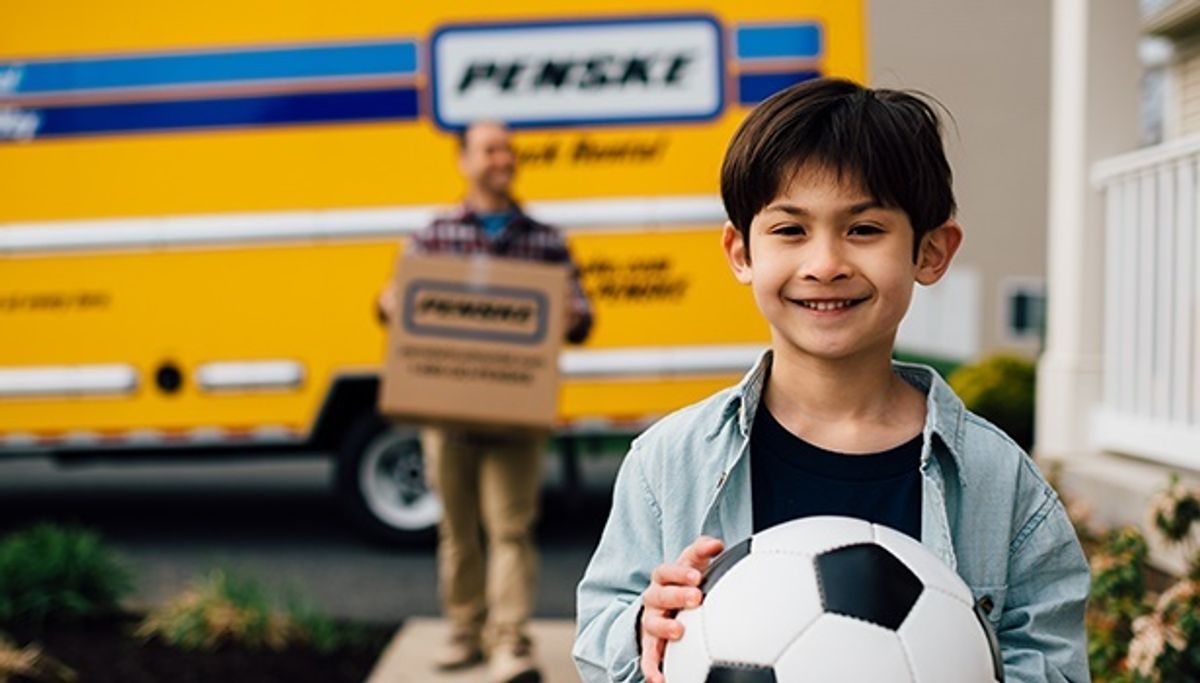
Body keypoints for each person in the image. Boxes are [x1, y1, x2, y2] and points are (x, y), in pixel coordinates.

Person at [572, 78, 1090, 683]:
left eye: (864, 229)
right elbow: (598, 640)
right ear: (741, 253)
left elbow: (1055, 662)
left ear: (931, 252)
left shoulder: (1001, 484)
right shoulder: (669, 462)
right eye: (790, 230)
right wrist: (643, 627)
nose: (825, 265)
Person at [379, 120, 592, 683]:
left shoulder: (544, 239)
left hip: (516, 418)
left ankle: (510, 644)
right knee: (457, 529)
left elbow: (582, 316)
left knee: (510, 529)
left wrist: (570, 314)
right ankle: (463, 631)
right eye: (490, 150)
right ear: (464, 160)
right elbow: (391, 306)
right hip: (447, 418)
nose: (503, 159)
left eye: (508, 150)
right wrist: (391, 299)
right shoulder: (434, 235)